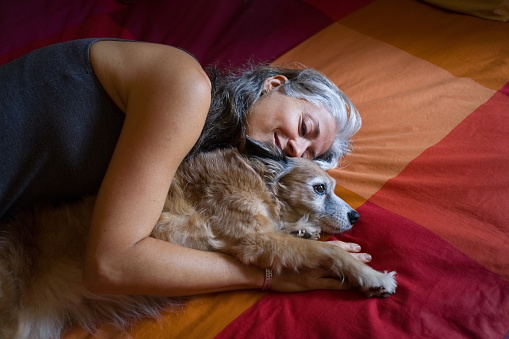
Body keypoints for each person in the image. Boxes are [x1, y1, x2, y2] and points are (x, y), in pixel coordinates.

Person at [0, 38, 369, 296]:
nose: (295, 148)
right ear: (273, 85)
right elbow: (111, 265)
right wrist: (264, 276)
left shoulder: (205, 160)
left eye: (307, 154)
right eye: (305, 127)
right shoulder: (186, 87)